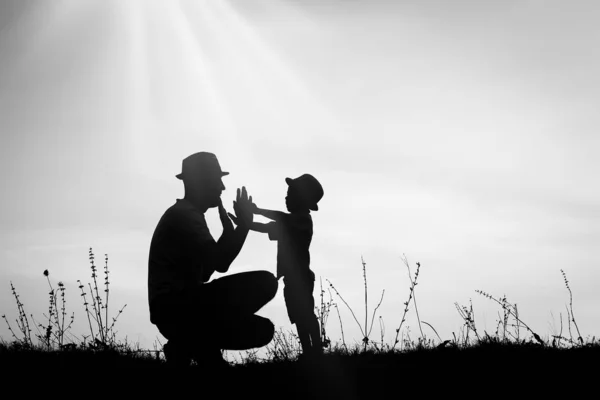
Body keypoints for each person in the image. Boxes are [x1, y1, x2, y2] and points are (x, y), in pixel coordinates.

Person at [147, 152, 278, 367]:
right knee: (266, 283)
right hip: (177, 310)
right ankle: (191, 344)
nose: (222, 187)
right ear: (202, 182)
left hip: (175, 312)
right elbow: (221, 262)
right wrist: (243, 226)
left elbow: (210, 269)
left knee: (263, 330)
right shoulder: (185, 215)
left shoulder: (188, 214)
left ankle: (193, 347)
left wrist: (230, 234)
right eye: (217, 180)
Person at [243, 173, 324, 357]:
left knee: (307, 315)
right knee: (298, 317)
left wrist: (257, 210)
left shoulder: (302, 220)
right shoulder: (289, 223)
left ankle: (317, 350)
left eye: (291, 194)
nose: (286, 198)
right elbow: (268, 227)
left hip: (302, 277)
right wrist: (246, 223)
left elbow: (280, 218)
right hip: (291, 278)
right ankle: (308, 351)